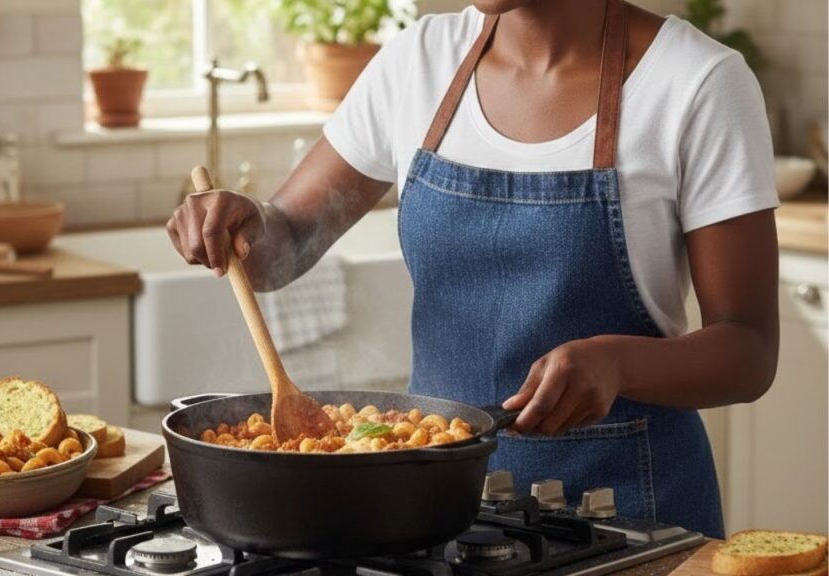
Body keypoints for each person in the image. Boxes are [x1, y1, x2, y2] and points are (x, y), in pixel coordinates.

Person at [165, 0, 779, 538]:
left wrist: (618, 362)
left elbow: (749, 351)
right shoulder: (418, 62)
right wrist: (244, 225)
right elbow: (289, 241)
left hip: (633, 517)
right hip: (429, 513)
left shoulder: (698, 83)